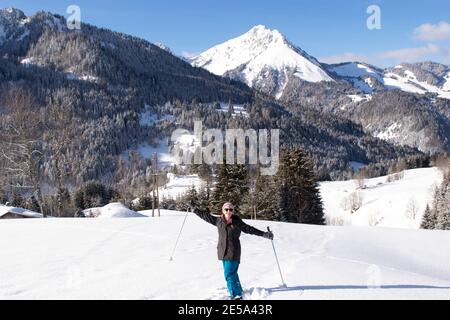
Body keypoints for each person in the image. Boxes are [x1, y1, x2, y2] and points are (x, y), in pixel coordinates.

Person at [194, 202, 274, 300]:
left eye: (230, 209)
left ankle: (236, 296)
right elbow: (206, 216)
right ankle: (238, 291)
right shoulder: (218, 221)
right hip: (223, 252)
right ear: (222, 211)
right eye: (226, 209)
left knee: (229, 274)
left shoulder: (237, 222)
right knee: (232, 273)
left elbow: (250, 229)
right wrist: (195, 210)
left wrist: (263, 234)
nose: (228, 211)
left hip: (233, 252)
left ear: (233, 211)